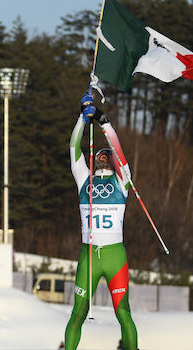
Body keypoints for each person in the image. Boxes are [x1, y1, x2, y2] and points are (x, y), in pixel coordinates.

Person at [63, 93, 138, 350]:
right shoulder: (84, 178)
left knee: (123, 313)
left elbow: (119, 152)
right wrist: (83, 118)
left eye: (107, 156)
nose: (104, 157)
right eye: (101, 155)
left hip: (113, 256)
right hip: (90, 257)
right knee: (77, 314)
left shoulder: (122, 181)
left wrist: (102, 121)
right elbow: (74, 147)